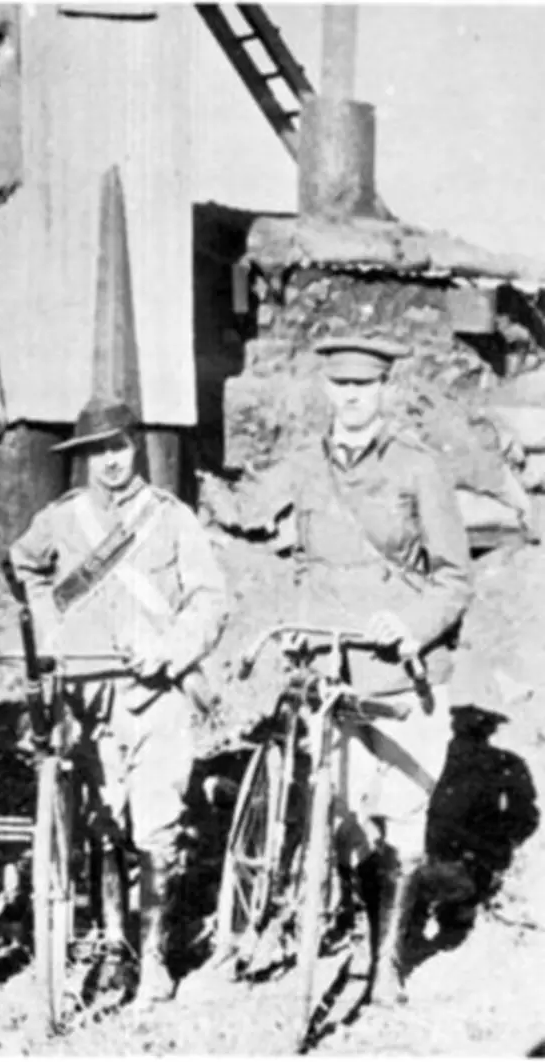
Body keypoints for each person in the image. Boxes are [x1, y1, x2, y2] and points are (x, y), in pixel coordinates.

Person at [201, 335, 473, 1003]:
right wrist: (297, 625)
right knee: (346, 812)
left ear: (384, 390)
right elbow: (295, 556)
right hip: (332, 665)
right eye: (342, 386)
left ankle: (387, 963)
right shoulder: (305, 465)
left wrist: (410, 627)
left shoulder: (417, 467)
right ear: (326, 389)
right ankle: (359, 932)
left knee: (403, 815)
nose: (352, 397)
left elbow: (454, 578)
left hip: (402, 672)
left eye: (364, 386)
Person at [9, 396, 228, 1003]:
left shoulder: (172, 519)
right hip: (88, 694)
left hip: (157, 693)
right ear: (82, 458)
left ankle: (153, 956)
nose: (109, 462)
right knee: (104, 820)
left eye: (119, 447)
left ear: (137, 448)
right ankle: (114, 947)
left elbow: (210, 599)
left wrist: (173, 650)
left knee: (157, 824)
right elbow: (23, 567)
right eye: (96, 452)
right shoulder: (61, 518)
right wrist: (53, 630)